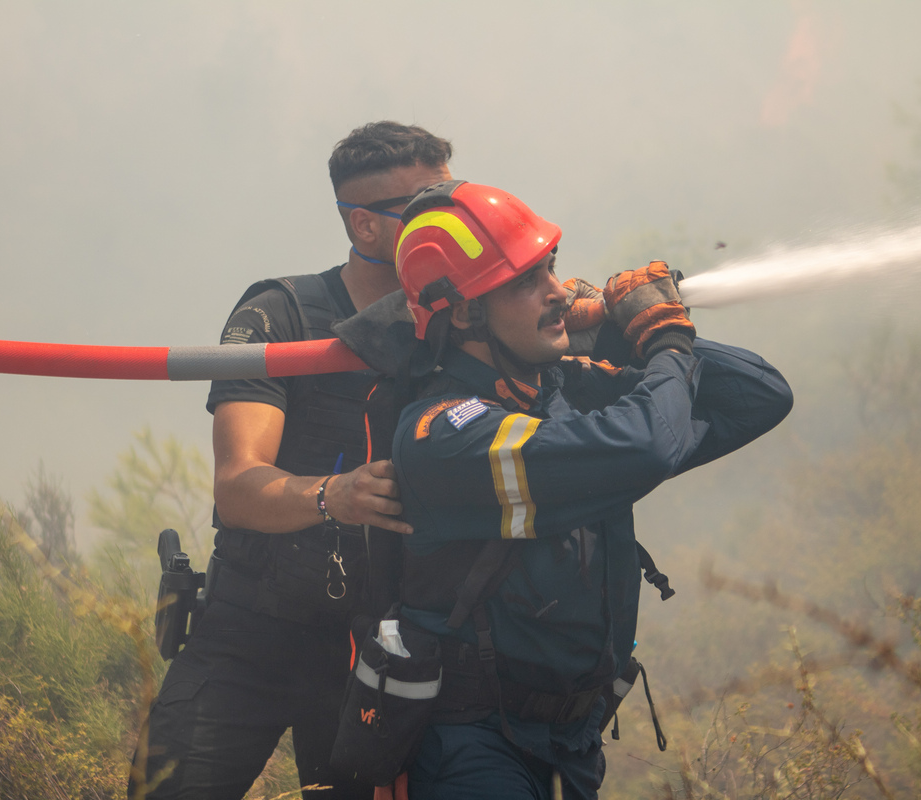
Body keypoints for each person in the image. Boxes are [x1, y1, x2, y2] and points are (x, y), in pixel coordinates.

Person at [386, 180, 793, 799]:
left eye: (550, 267)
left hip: (574, 742)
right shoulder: (444, 435)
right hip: (475, 744)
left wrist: (615, 332)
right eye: (527, 281)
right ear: (466, 313)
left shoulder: (562, 390)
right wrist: (664, 340)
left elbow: (759, 397)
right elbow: (651, 443)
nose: (557, 290)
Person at [130, 122, 452, 800]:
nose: (450, 225)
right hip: (249, 632)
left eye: (453, 201)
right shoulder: (279, 313)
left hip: (373, 652)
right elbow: (239, 486)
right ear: (365, 227)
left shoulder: (461, 322)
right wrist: (332, 495)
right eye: (426, 209)